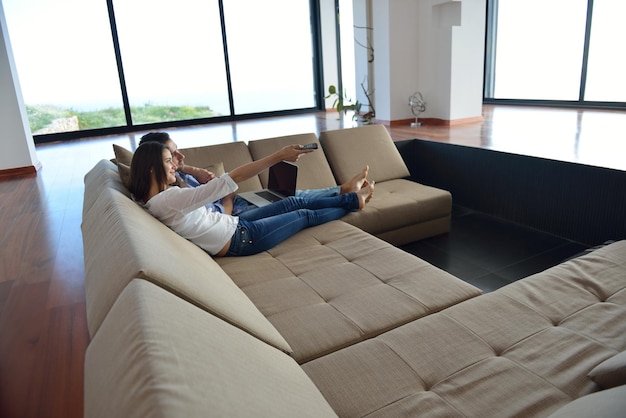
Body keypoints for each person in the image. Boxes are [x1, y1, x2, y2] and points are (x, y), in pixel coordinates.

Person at [129, 141, 374, 257]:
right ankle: (353, 201)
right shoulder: (169, 200)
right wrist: (279, 155)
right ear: (151, 169)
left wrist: (186, 170)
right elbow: (230, 179)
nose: (174, 165)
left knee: (292, 202)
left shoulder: (153, 200)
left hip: (235, 225)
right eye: (168, 160)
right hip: (243, 239)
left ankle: (347, 193)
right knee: (303, 214)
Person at [138, 132, 369, 216]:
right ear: (156, 163)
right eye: (173, 156)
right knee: (293, 202)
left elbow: (207, 180)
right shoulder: (177, 195)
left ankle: (341, 190)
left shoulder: (178, 176)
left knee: (288, 193)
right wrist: (228, 197)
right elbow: (220, 215)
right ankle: (345, 197)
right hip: (235, 214)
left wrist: (189, 169)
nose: (181, 157)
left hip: (238, 201)